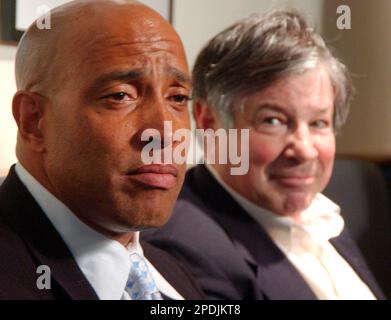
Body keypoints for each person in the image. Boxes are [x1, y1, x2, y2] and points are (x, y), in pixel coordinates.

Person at [144, 9, 385, 299]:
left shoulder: (318, 213)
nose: (305, 150)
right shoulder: (180, 248)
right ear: (209, 123)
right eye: (274, 121)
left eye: (319, 123)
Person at [0, 0, 204, 300]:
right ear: (34, 121)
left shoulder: (170, 272)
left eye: (178, 97)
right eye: (121, 96)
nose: (166, 133)